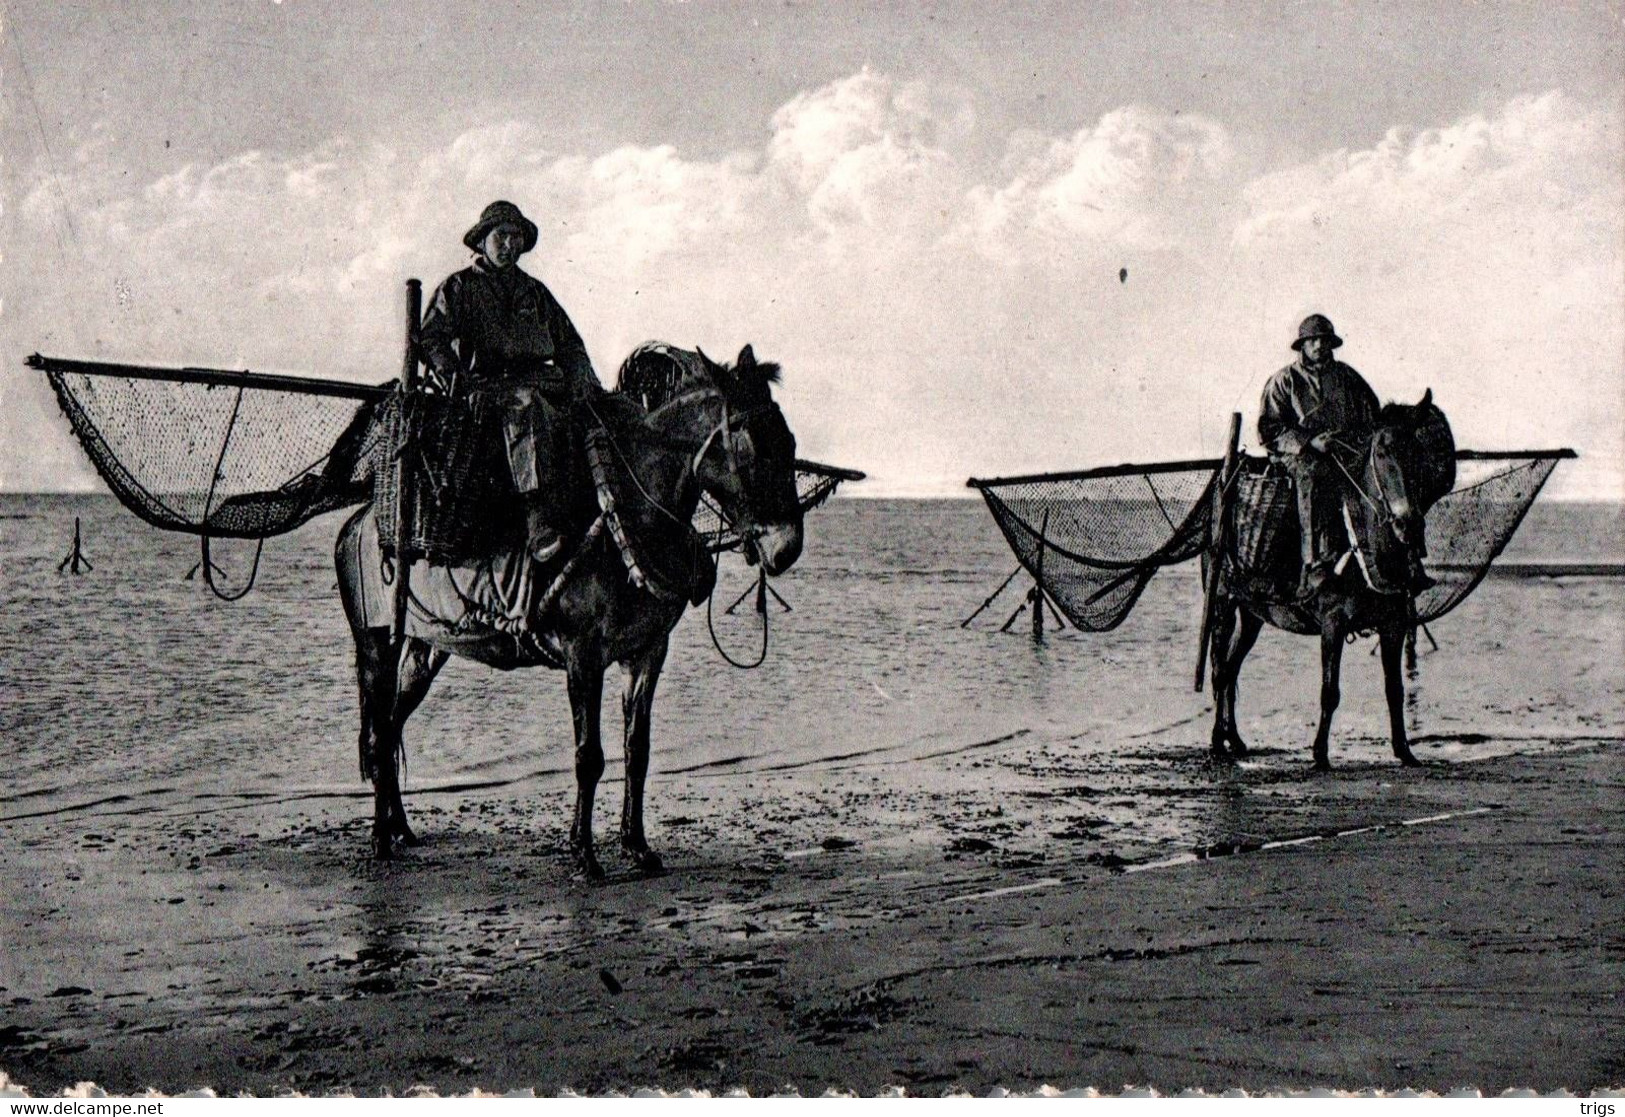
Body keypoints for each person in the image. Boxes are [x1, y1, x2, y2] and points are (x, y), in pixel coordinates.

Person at [417, 200, 602, 563]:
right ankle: (537, 519)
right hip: (487, 387)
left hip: (542, 380)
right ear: (482, 241)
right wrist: (459, 381)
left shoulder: (535, 292)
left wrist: (583, 380)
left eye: (516, 237)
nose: (510, 245)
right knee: (527, 406)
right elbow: (431, 338)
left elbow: (570, 345)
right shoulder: (459, 287)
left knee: (598, 411)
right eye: (501, 236)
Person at [1258, 314, 1433, 601]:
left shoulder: (1347, 377)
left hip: (1344, 449)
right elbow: (1269, 430)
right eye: (1313, 340)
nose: (1319, 346)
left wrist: (1359, 440)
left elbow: (1371, 414)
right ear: (1302, 345)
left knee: (1389, 477)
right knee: (1313, 476)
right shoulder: (1283, 381)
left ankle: (1409, 559)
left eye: (1324, 341)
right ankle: (1315, 564)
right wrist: (1309, 442)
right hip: (1298, 456)